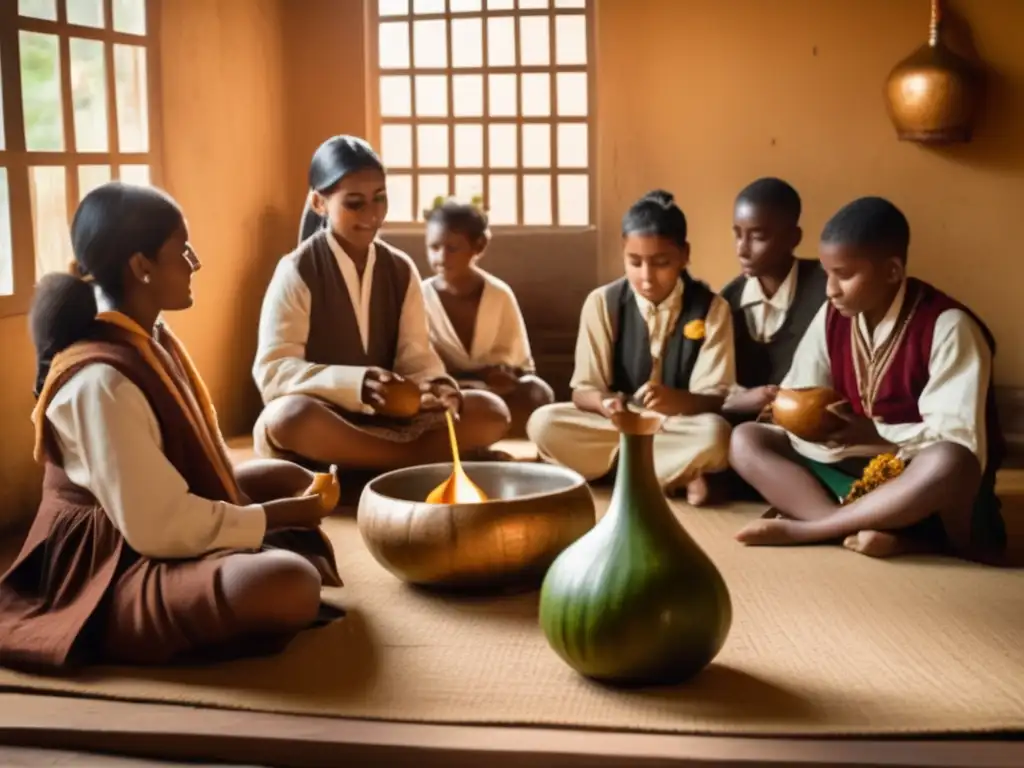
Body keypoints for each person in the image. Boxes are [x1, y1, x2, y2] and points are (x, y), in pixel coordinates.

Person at [0, 182, 343, 673]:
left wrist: (283, 503)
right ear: (141, 267)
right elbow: (156, 528)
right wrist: (276, 517)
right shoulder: (101, 380)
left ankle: (234, 563)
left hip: (152, 519)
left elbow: (182, 468)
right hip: (111, 560)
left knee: (286, 476)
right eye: (181, 250)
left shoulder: (148, 338)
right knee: (289, 583)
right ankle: (113, 623)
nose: (193, 262)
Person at [729, 196, 1007, 563]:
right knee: (746, 439)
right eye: (827, 273)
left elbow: (961, 441)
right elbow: (802, 388)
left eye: (844, 275)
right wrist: (795, 414)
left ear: (892, 271)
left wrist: (876, 435)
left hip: (919, 476)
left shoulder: (949, 326)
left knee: (949, 461)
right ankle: (854, 527)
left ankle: (811, 528)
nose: (830, 289)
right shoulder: (833, 315)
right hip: (853, 464)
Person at [251, 136, 511, 471]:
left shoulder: (400, 268)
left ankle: (370, 466)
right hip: (328, 420)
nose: (372, 215)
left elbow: (415, 357)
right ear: (319, 202)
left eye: (380, 199)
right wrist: (356, 384)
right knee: (290, 418)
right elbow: (275, 371)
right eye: (355, 203)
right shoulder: (297, 270)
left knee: (489, 411)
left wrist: (437, 384)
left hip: (392, 423)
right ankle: (414, 462)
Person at [527, 190, 735, 505]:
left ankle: (606, 472)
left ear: (684, 255)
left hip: (674, 426)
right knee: (543, 422)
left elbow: (715, 400)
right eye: (634, 262)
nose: (647, 277)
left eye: (661, 262)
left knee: (716, 435)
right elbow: (583, 392)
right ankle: (672, 475)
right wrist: (605, 404)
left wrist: (675, 400)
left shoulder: (711, 308)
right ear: (623, 252)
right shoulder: (603, 303)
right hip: (613, 426)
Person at [421, 198, 554, 436]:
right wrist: (461, 383)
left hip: (494, 390)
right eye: (434, 247)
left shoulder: (499, 294)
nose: (441, 257)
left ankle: (493, 433)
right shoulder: (419, 296)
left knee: (537, 392)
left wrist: (503, 374)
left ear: (478, 246)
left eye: (452, 248)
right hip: (448, 389)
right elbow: (418, 360)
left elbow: (522, 367)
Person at [719, 177, 827, 422]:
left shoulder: (826, 291)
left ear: (793, 238)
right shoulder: (726, 302)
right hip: (743, 426)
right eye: (737, 235)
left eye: (757, 237)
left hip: (809, 422)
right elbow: (714, 390)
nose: (742, 250)